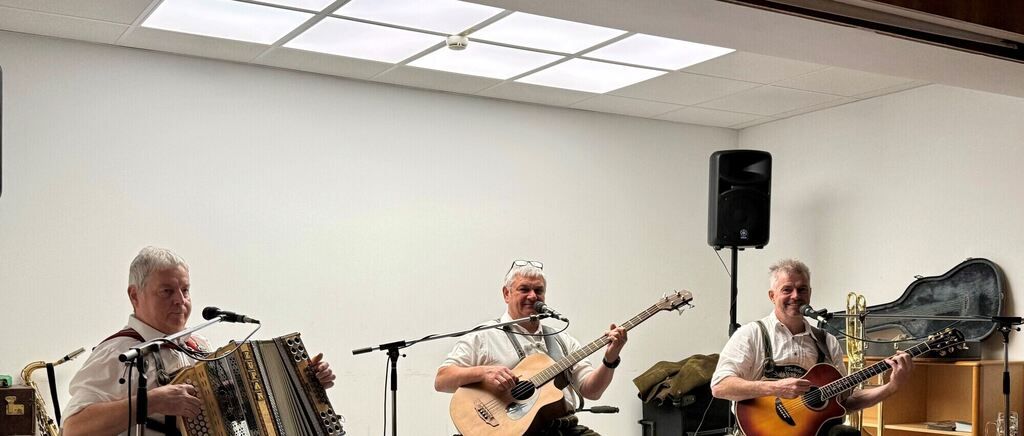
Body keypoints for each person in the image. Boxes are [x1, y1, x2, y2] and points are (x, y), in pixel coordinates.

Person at [62, 246, 337, 436]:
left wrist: (303, 382)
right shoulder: (119, 353)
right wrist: (151, 402)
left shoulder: (199, 347)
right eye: (167, 291)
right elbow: (73, 428)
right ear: (135, 296)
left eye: (185, 290)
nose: (180, 301)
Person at [711, 258, 913, 436]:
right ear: (772, 296)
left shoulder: (826, 341)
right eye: (787, 289)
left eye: (802, 289)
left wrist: (891, 387)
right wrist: (774, 387)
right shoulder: (751, 334)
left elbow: (846, 400)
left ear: (810, 293)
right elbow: (720, 386)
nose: (795, 295)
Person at [434, 260, 627, 436]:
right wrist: (484, 373)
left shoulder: (563, 341)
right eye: (524, 289)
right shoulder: (484, 336)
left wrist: (610, 360)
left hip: (562, 429)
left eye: (539, 290)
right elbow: (442, 380)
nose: (533, 296)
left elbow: (591, 391)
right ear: (506, 294)